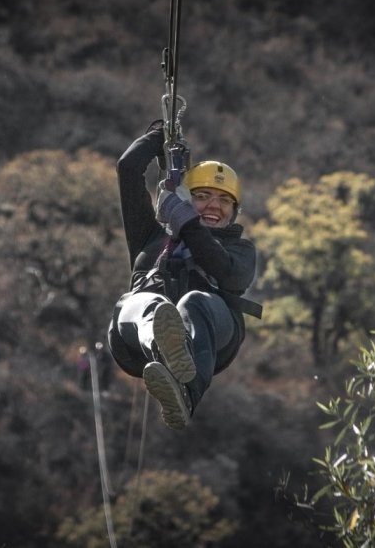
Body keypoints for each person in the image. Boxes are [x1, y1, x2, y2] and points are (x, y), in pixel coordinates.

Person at [107, 120, 261, 430]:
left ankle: (186, 393)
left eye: (224, 200)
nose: (213, 206)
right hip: (137, 340)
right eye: (203, 196)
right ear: (186, 198)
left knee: (194, 301)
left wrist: (185, 221)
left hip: (209, 336)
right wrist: (158, 138)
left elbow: (226, 272)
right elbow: (128, 169)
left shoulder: (241, 250)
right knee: (145, 302)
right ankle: (164, 349)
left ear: (235, 211)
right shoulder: (150, 237)